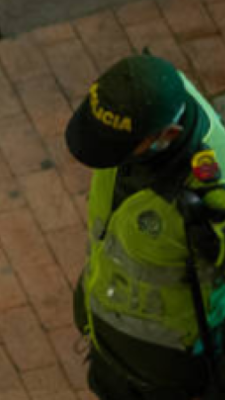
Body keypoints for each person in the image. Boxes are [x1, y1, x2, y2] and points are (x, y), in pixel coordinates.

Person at [65, 54, 225, 399]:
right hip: (107, 341)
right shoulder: (151, 94)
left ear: (168, 134)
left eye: (117, 148)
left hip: (167, 374)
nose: (109, 156)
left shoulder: (214, 191)